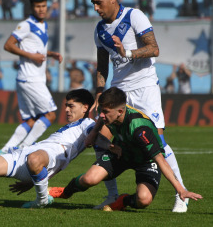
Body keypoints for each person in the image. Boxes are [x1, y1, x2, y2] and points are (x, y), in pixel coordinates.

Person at [89, 0, 189, 212]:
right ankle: (112, 195)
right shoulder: (99, 29)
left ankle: (181, 195)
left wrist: (128, 53)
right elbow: (102, 65)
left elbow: (154, 49)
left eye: (98, 2)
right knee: (100, 139)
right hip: (118, 91)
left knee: (158, 141)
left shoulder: (135, 16)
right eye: (92, 3)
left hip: (144, 88)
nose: (96, 8)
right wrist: (98, 93)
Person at [49, 87, 203, 212]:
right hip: (121, 153)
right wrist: (94, 134)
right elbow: (101, 119)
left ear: (120, 112)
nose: (101, 116)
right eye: (100, 111)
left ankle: (123, 200)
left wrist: (180, 190)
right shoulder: (111, 111)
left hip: (145, 161)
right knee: (89, 179)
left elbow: (160, 160)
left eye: (105, 112)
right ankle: (66, 192)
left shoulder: (140, 129)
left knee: (144, 200)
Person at [0, 0, 63, 155]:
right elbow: (8, 45)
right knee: (51, 115)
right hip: (30, 78)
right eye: (38, 6)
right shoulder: (26, 25)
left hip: (29, 79)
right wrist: (31, 56)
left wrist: (50, 53)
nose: (41, 9)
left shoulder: (43, 24)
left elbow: (37, 48)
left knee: (31, 120)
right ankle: (23, 148)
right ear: (32, 8)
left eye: (44, 6)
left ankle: (5, 150)